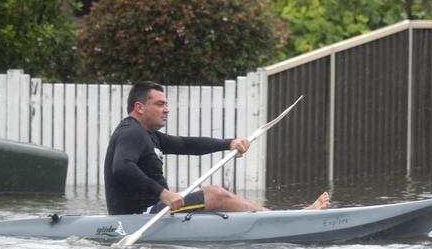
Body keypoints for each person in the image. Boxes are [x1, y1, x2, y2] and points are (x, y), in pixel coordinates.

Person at [104, 81, 330, 215]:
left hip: (154, 211)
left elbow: (186, 144)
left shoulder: (148, 135)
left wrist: (228, 143)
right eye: (160, 104)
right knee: (215, 194)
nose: (166, 109)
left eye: (166, 104)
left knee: (215, 198)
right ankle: (284, 219)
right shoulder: (131, 132)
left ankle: (275, 217)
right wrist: (163, 194)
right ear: (139, 107)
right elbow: (121, 167)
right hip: (139, 217)